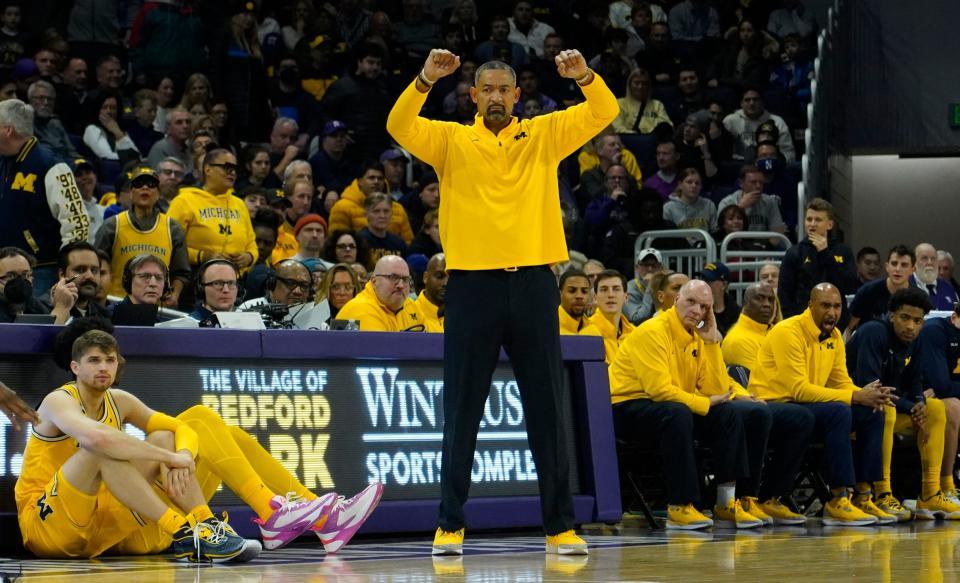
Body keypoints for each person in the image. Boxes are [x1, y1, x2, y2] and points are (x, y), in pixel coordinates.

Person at [387, 47, 618, 555]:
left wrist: (584, 76)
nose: (494, 97)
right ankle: (450, 524)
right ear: (473, 96)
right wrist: (425, 78)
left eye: (503, 90)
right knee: (462, 410)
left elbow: (604, 112)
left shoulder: (543, 134)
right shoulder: (450, 138)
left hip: (535, 283)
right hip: (472, 287)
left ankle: (559, 527)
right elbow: (399, 124)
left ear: (517, 96)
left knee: (546, 410)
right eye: (485, 89)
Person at [14, 327, 261, 561]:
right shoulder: (58, 400)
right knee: (99, 450)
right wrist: (170, 459)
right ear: (75, 367)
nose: (103, 367)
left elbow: (178, 428)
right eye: (94, 360)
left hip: (101, 529)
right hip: (46, 525)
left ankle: (204, 525)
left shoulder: (120, 400)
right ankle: (182, 531)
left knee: (164, 436)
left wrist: (182, 454)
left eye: (109, 361)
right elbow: (97, 438)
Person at [609, 280, 779, 529]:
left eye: (704, 307)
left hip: (673, 406)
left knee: (738, 413)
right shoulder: (652, 331)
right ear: (676, 299)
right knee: (677, 413)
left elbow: (719, 390)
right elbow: (659, 391)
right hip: (627, 407)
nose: (697, 311)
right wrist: (704, 402)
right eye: (691, 302)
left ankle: (731, 501)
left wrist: (711, 342)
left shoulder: (698, 334)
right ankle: (681, 505)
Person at [749, 283, 897, 525]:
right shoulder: (788, 331)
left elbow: (841, 382)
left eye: (837, 306)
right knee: (838, 411)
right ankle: (838, 499)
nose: (832, 312)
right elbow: (798, 389)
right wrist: (853, 397)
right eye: (825, 305)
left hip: (808, 407)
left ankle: (863, 495)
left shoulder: (836, 336)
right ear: (810, 305)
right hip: (773, 406)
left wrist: (869, 394)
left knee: (872, 411)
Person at [847, 287, 960, 520]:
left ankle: (930, 494)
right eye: (905, 318)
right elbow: (872, 388)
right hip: (855, 410)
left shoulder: (916, 341)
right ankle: (882, 492)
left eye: (918, 321)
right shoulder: (873, 332)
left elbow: (916, 384)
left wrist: (918, 403)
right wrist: (911, 406)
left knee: (936, 408)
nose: (911, 326)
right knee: (884, 408)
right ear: (891, 316)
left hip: (892, 406)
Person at [0, 99, 89, 296]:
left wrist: (68, 271)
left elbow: (77, 222)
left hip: (40, 271)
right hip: (2, 270)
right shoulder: (4, 161)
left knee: (34, 325)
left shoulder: (51, 165)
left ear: (8, 130)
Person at [166, 149, 257, 308]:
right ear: (208, 169)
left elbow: (252, 243)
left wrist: (248, 256)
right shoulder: (184, 200)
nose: (232, 172)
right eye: (227, 167)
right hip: (195, 283)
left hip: (234, 283)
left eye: (235, 168)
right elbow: (169, 243)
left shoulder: (239, 204)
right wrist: (202, 255)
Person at [95, 165, 190, 307]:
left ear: (158, 193)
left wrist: (174, 295)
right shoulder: (112, 226)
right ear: (131, 192)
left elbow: (181, 272)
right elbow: (97, 267)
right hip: (116, 305)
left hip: (157, 307)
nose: (145, 188)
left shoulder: (173, 228)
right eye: (139, 184)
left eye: (151, 185)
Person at [778, 198, 857, 321]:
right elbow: (784, 293)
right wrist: (793, 321)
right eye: (809, 219)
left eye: (818, 220)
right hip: (802, 321)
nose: (812, 224)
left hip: (835, 321)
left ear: (830, 224)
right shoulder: (794, 253)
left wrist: (825, 254)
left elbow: (849, 286)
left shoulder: (843, 251)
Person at [918, 302, 960, 505]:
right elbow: (941, 385)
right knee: (953, 407)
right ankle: (946, 484)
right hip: (918, 396)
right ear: (954, 316)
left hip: (943, 394)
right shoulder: (935, 331)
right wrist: (947, 386)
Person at [336, 255, 424, 331]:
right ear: (374, 281)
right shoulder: (360, 310)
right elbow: (383, 350)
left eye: (405, 279)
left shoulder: (411, 306)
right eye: (393, 277)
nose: (400, 285)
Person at [845, 244, 914, 340]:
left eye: (904, 265)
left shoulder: (916, 297)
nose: (898, 269)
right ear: (887, 267)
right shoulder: (867, 291)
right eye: (894, 264)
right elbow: (848, 327)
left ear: (913, 270)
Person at [722, 88, 795, 163]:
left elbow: (788, 153)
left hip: (769, 164)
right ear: (741, 103)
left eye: (755, 100)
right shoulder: (730, 121)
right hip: (739, 165)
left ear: (762, 102)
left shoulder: (777, 122)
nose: (751, 103)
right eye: (747, 100)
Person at [715, 165, 786, 243]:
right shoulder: (727, 202)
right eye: (753, 182)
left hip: (763, 248)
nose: (758, 186)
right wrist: (740, 207)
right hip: (734, 247)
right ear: (741, 183)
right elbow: (721, 232)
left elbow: (777, 231)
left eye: (761, 182)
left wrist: (766, 249)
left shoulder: (770, 202)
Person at [48, 241, 111, 323]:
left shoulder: (105, 315)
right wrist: (60, 309)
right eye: (80, 270)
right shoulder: (41, 308)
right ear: (62, 274)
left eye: (94, 270)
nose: (90, 276)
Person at [722, 282, 779, 371]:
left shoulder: (776, 331)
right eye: (759, 298)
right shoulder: (737, 341)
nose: (767, 304)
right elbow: (757, 382)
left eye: (771, 300)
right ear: (745, 303)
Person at [588, 269, 634, 364]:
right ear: (595, 298)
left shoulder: (635, 334)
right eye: (604, 290)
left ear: (626, 297)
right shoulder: (587, 332)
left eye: (616, 289)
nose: (610, 295)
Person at [28, 80, 78, 162]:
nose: (46, 102)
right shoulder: (25, 124)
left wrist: (81, 164)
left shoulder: (56, 123)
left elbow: (71, 152)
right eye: (41, 98)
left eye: (50, 99)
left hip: (65, 166)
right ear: (30, 101)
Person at [611, 68, 672, 135]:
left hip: (653, 140)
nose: (640, 87)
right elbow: (617, 128)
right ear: (629, 84)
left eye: (644, 83)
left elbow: (666, 125)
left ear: (648, 86)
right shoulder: (619, 103)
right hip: (628, 139)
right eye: (636, 83)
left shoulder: (657, 105)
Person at [0, 246, 48, 322]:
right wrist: (61, 309)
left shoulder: (33, 304)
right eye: (10, 276)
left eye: (25, 275)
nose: (20, 281)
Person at [358, 192, 407, 266]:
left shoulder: (399, 243)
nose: (382, 216)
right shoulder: (359, 240)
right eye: (376, 211)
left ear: (391, 214)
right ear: (366, 214)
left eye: (386, 211)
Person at [188, 259, 241, 325]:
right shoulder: (183, 328)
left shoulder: (251, 325)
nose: (226, 290)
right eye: (217, 283)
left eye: (231, 283)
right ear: (201, 289)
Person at [662, 167, 716, 232]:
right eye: (689, 182)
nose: (694, 186)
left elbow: (715, 232)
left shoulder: (709, 205)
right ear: (680, 185)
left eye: (697, 183)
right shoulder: (668, 208)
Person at [147, 108, 194, 179]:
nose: (185, 126)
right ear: (168, 128)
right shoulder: (160, 149)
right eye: (179, 122)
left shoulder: (188, 149)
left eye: (188, 122)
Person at [912, 242, 959, 310]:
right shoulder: (905, 285)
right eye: (924, 258)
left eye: (933, 258)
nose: (929, 262)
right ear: (914, 262)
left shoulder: (948, 287)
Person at [698, 262, 741, 336]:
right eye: (702, 280)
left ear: (724, 285)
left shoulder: (737, 315)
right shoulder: (696, 310)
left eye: (709, 281)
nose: (703, 284)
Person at [558, 269, 602, 336]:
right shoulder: (547, 328)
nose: (579, 296)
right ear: (560, 294)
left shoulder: (595, 332)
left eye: (584, 291)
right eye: (572, 291)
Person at [415, 253, 447, 333]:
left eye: (451, 278)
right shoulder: (410, 312)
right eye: (439, 276)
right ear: (425, 277)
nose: (446, 283)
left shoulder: (460, 316)